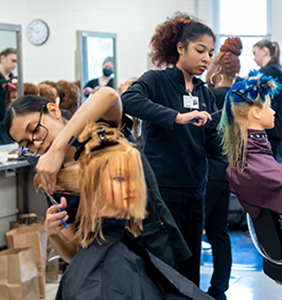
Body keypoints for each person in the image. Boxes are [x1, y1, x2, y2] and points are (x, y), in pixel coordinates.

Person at [5, 87, 208, 269]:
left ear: (54, 111)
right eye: (27, 144)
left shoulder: (102, 131)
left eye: (35, 130)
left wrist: (58, 149)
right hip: (106, 272)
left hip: (150, 251)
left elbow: (108, 95)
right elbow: (73, 254)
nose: (37, 144)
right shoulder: (54, 181)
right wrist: (53, 233)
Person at [51, 123, 214, 300]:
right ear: (93, 184)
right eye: (120, 178)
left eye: (135, 177)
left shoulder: (123, 246)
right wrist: (58, 147)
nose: (133, 187)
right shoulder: (103, 278)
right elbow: (107, 95)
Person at [121, 11, 221, 286]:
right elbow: (127, 100)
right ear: (180, 48)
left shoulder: (204, 93)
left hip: (195, 189)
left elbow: (211, 143)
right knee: (163, 264)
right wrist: (176, 117)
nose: (206, 59)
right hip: (163, 190)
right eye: (201, 50)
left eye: (210, 53)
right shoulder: (157, 80)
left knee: (190, 263)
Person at [204, 36, 242, 300]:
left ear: (217, 69)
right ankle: (219, 290)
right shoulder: (239, 97)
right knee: (219, 232)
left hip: (208, 171)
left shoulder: (211, 96)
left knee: (195, 231)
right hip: (227, 169)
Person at [220, 69, 282, 219]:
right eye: (269, 106)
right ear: (256, 113)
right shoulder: (255, 166)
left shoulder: (247, 159)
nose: (273, 112)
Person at [253, 39, 282, 161]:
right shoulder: (277, 69)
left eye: (255, 53)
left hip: (273, 129)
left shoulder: (268, 72)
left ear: (264, 51)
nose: (254, 58)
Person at [0, 47, 17, 122]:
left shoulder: (13, 79)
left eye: (16, 62)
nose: (15, 65)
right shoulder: (9, 82)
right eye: (12, 61)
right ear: (2, 58)